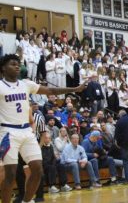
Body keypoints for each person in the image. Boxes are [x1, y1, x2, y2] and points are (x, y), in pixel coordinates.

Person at [0, 54, 86, 203]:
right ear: (3, 68)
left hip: (27, 131)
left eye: (18, 63)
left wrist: (75, 89)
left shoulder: (26, 83)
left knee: (38, 170)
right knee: (10, 174)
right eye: (12, 64)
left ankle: (26, 201)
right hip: (8, 132)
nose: (16, 66)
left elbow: (50, 91)